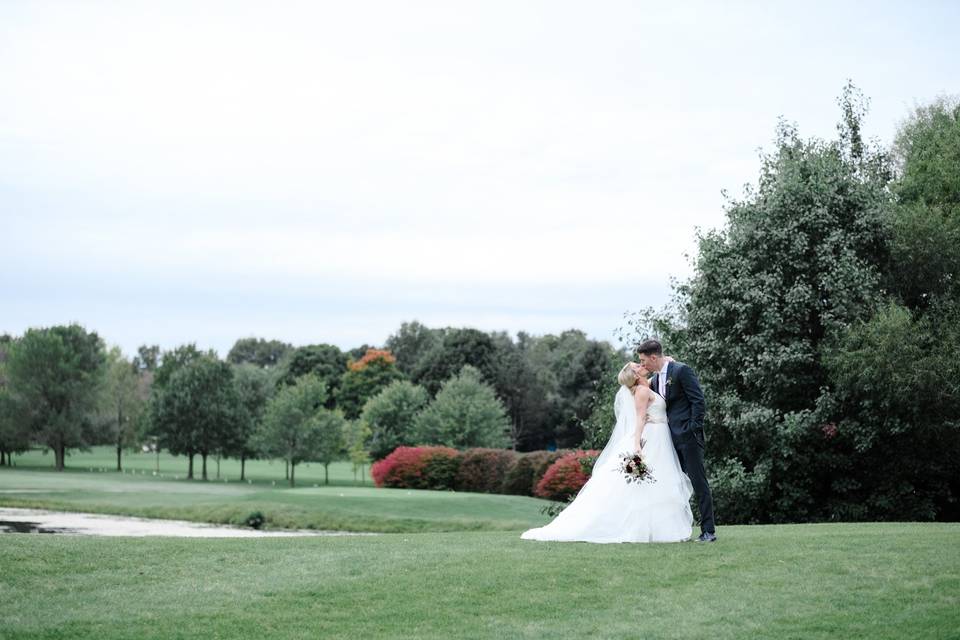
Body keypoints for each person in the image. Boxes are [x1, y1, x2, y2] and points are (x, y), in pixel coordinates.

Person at [520, 361, 693, 543]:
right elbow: (640, 418)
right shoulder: (642, 391)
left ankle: (654, 529)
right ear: (635, 375)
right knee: (645, 483)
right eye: (637, 367)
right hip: (651, 437)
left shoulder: (645, 386)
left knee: (654, 482)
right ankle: (641, 528)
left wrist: (668, 362)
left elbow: (660, 375)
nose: (641, 366)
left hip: (660, 437)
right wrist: (637, 445)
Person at [635, 339, 716, 542]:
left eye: (644, 361)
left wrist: (692, 428)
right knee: (672, 484)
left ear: (654, 357)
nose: (643, 365)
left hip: (688, 438)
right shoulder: (654, 380)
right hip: (667, 441)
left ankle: (708, 531)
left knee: (698, 482)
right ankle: (676, 529)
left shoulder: (681, 371)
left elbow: (698, 400)